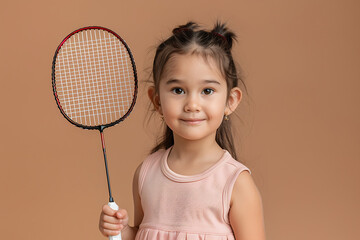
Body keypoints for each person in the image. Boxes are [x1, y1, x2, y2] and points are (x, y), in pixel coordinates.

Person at [99, 21, 266, 240]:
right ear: (157, 100)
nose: (192, 104)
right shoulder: (146, 173)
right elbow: (142, 234)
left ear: (230, 101)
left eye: (207, 90)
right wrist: (121, 231)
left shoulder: (236, 183)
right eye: (178, 90)